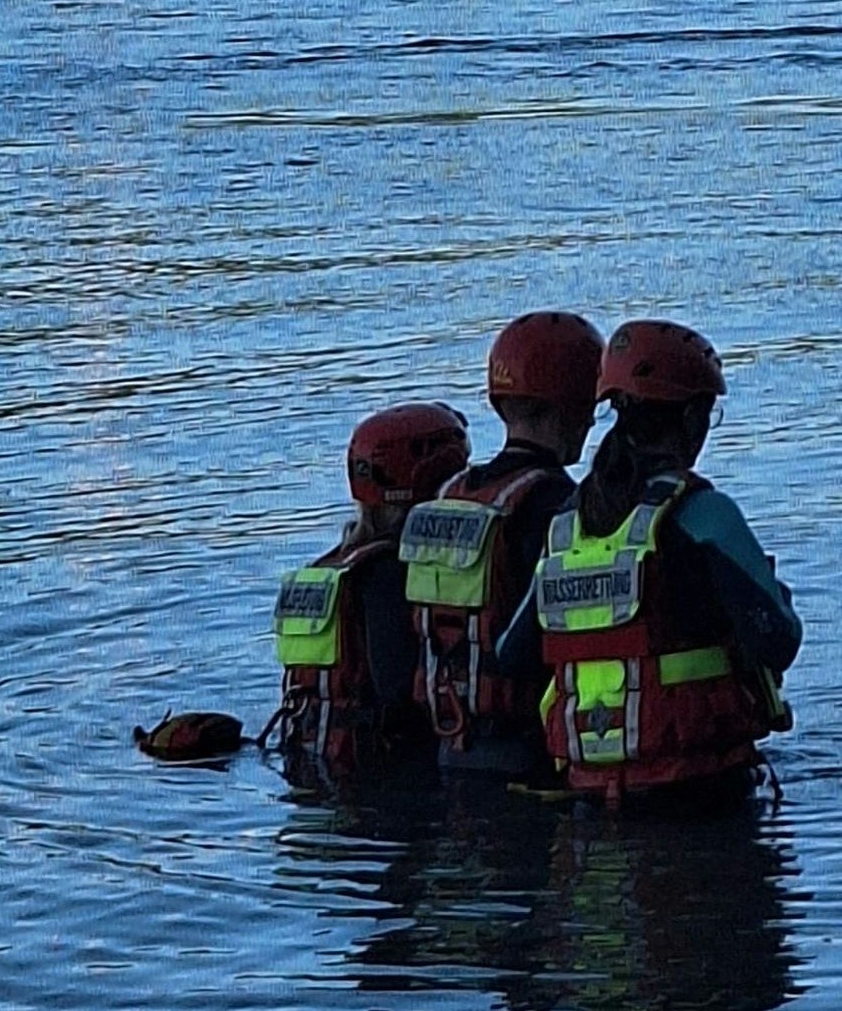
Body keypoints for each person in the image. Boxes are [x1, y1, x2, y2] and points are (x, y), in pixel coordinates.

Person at [519, 319, 800, 807]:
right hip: (702, 794)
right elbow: (778, 640)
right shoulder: (704, 512)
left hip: (591, 797)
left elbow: (512, 652)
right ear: (691, 418)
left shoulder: (565, 525)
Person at [404, 310, 605, 777]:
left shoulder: (447, 495)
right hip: (527, 753)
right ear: (575, 405)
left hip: (450, 750)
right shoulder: (557, 503)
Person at [267, 402, 471, 787]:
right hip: (380, 776)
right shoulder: (391, 574)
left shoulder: (331, 568)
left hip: (312, 762)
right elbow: (397, 689)